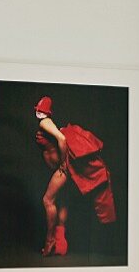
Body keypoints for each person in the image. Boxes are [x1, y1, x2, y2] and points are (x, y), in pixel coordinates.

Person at [34, 96, 116, 256]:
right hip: (63, 169)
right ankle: (61, 243)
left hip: (63, 169)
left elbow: (62, 139)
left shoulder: (44, 122)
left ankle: (50, 241)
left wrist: (64, 164)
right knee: (63, 200)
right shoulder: (47, 123)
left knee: (47, 200)